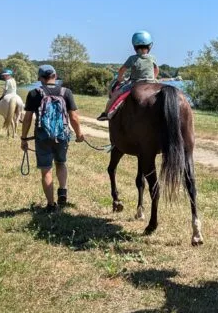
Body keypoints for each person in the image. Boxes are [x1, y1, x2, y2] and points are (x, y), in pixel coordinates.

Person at [20, 64, 86, 212]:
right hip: (62, 136)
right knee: (61, 163)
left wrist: (23, 138)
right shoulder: (66, 92)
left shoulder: (34, 93)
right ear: (55, 76)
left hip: (42, 136)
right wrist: (79, 134)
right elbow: (73, 117)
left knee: (46, 170)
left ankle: (51, 204)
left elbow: (28, 119)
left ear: (40, 78)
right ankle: (62, 190)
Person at [97, 30, 160, 121]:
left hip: (135, 84)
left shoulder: (132, 58)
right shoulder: (153, 57)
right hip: (151, 82)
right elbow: (156, 69)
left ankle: (106, 113)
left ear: (134, 46)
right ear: (150, 46)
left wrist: (119, 79)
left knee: (115, 94)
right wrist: (154, 78)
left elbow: (122, 69)